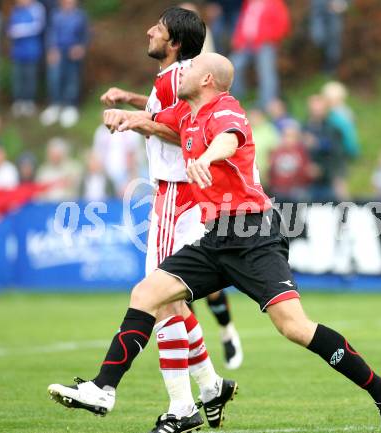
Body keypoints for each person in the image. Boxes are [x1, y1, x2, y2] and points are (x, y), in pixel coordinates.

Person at [49, 52, 381, 433]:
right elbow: (153, 120)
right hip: (214, 237)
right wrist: (126, 115)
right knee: (147, 293)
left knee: (295, 328)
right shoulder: (186, 113)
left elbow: (229, 139)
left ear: (206, 80)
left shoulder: (226, 108)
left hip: (255, 235)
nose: (180, 71)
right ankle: (104, 388)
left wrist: (206, 156)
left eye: (188, 69)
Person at [98, 8, 240, 432]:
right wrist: (133, 103)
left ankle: (181, 406)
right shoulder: (179, 79)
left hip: (176, 193)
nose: (149, 31)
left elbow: (178, 130)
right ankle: (211, 386)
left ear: (174, 41)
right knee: (173, 301)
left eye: (158, 28)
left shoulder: (175, 77)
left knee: (158, 300)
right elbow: (171, 114)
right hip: (188, 195)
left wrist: (134, 121)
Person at [230, 0, 290, 109]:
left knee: (266, 71)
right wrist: (238, 40)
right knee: (233, 65)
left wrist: (268, 38)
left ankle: (267, 103)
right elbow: (242, 23)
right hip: (246, 44)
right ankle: (239, 97)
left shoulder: (275, 3)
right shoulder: (249, 2)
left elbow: (283, 24)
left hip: (265, 44)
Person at [40, 0, 88, 128]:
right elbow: (50, 33)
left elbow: (85, 35)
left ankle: (70, 107)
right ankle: (55, 105)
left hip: (73, 53)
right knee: (54, 79)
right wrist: (51, 49)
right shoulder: (54, 14)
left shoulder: (80, 15)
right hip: (57, 52)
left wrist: (80, 47)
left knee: (72, 80)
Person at [7, 0, 46, 117]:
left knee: (30, 77)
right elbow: (10, 27)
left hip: (31, 51)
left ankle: (29, 102)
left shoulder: (37, 8)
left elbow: (39, 26)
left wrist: (20, 30)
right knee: (18, 77)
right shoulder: (16, 10)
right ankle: (19, 101)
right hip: (17, 52)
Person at [309, 0, 351, 75]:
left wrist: (343, 4)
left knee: (334, 38)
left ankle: (330, 67)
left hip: (334, 12)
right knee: (318, 38)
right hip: (318, 11)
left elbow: (347, 3)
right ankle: (322, 58)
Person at [35, 137, 82, 201]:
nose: (55, 156)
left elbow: (77, 186)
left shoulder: (73, 168)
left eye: (58, 153)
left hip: (67, 205)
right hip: (47, 206)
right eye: (52, 153)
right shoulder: (43, 171)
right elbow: (39, 192)